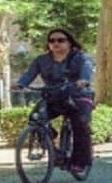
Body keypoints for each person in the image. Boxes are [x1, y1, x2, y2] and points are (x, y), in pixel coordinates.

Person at [14, 28, 95, 173]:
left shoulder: (81, 57)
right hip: (53, 96)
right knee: (35, 118)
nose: (55, 43)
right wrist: (21, 84)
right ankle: (53, 149)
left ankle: (80, 162)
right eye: (52, 41)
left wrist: (83, 80)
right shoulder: (41, 60)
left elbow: (86, 70)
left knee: (80, 123)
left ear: (70, 43)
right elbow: (29, 74)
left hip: (78, 96)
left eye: (60, 40)